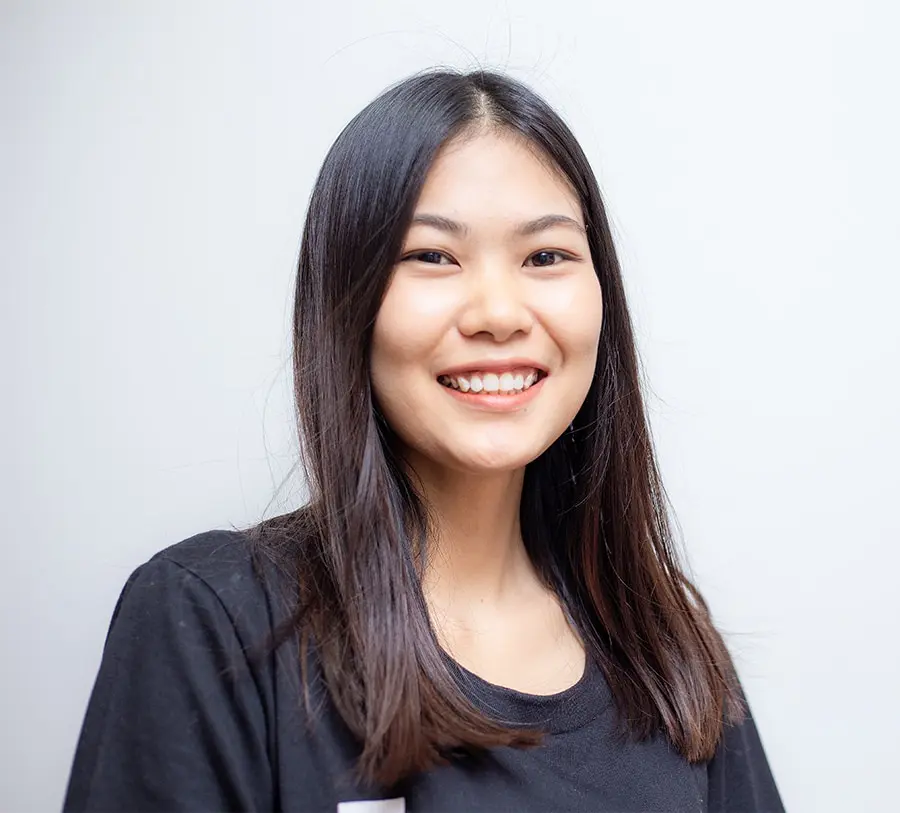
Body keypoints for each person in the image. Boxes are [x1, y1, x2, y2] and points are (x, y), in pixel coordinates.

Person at [63, 68, 784, 812]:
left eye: (546, 257)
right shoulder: (215, 620)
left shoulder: (663, 647)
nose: (499, 312)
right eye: (432, 256)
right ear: (348, 303)